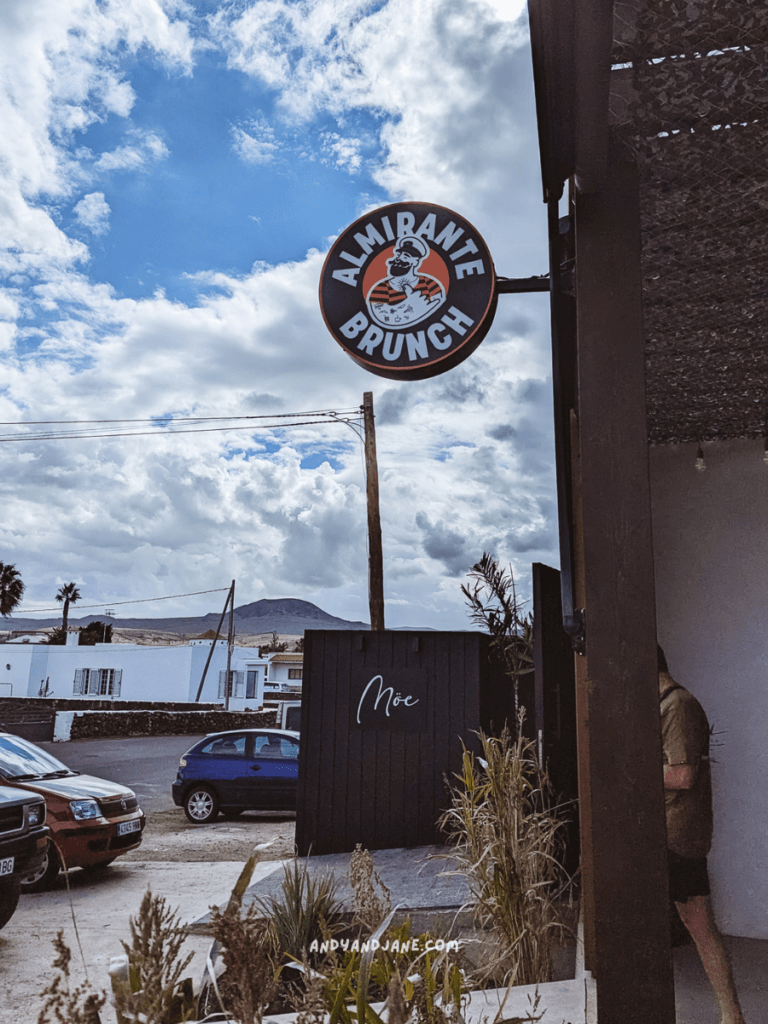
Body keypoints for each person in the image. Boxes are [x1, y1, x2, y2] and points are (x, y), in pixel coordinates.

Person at [658, 644, 746, 1024]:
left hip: (676, 835)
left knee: (699, 925)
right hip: (669, 833)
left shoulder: (677, 706)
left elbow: (682, 775)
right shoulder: (669, 704)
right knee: (698, 926)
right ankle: (732, 1016)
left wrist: (629, 769)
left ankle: (732, 1015)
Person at [366, 235, 445, 328]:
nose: (398, 259)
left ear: (415, 262)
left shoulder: (430, 284)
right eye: (399, 255)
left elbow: (439, 310)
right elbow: (382, 318)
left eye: (406, 256)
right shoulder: (381, 289)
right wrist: (409, 305)